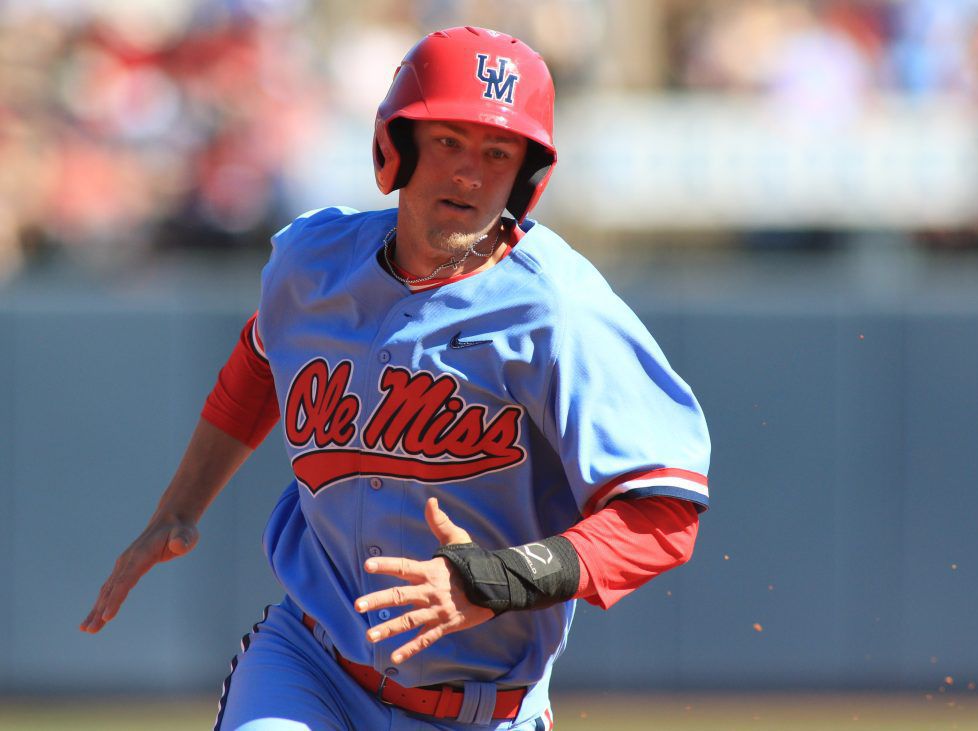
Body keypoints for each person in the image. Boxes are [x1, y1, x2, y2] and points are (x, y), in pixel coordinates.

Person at [80, 26, 711, 731]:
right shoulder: (311, 263)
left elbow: (664, 513)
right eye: (448, 142)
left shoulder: (560, 310)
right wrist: (178, 507)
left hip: (479, 707)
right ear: (396, 146)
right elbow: (260, 358)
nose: (471, 174)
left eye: (498, 152)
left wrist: (501, 578)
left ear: (525, 174)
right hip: (310, 665)